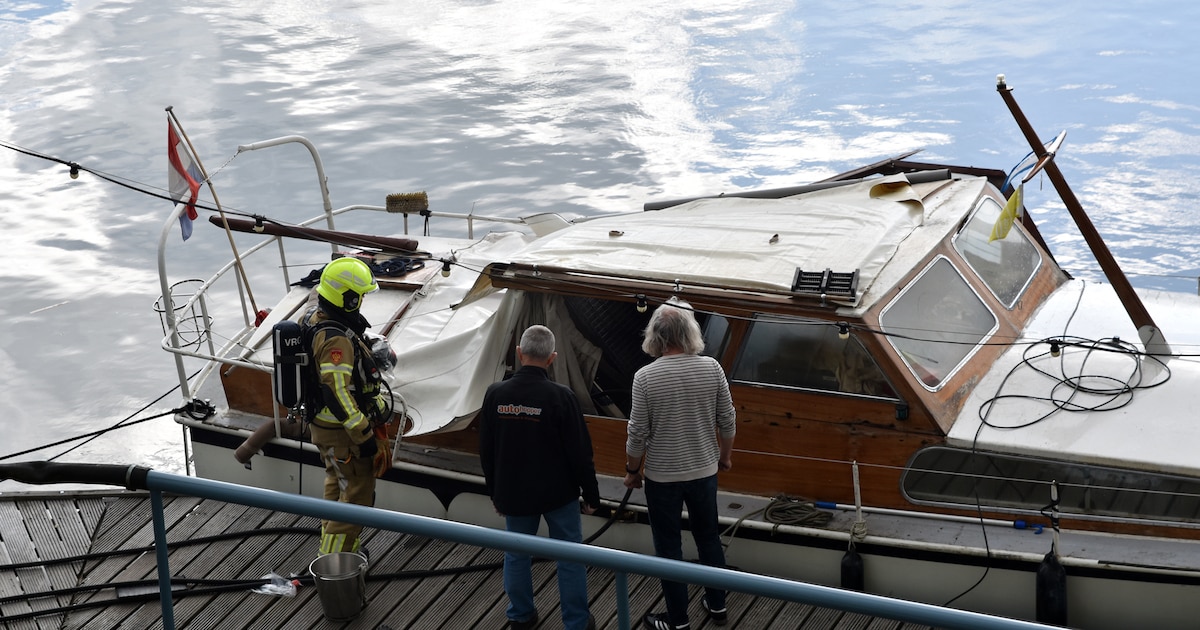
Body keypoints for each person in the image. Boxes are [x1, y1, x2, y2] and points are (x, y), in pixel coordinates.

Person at [624, 298, 736, 630]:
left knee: (669, 547)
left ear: (655, 336)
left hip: (662, 478)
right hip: (704, 472)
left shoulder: (645, 377)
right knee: (709, 538)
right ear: (690, 332)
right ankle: (717, 606)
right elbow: (727, 420)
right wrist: (724, 457)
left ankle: (678, 621)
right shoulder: (712, 368)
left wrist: (632, 471)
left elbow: (637, 433)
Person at [480, 325, 601, 630]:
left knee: (516, 555)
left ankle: (520, 616)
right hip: (559, 494)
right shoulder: (562, 397)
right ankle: (576, 622)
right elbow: (580, 453)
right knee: (569, 557)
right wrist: (592, 494)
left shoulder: (495, 394)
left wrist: (496, 492)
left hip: (514, 494)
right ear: (552, 358)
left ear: (519, 353)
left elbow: (487, 451)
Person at [303, 256, 390, 556]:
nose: (363, 301)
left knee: (337, 484)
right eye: (360, 296)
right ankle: (337, 561)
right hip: (343, 436)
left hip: (325, 430)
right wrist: (364, 435)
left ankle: (331, 550)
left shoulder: (315, 319)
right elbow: (336, 392)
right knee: (356, 499)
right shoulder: (336, 341)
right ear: (348, 299)